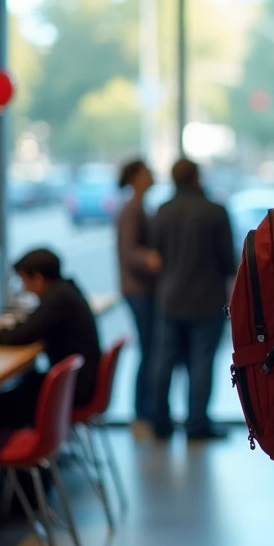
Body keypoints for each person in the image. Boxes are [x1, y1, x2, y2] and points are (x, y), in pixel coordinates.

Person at [0, 249, 102, 432]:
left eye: (24, 280)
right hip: (77, 384)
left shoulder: (59, 298)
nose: (23, 288)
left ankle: (3, 449)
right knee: (23, 384)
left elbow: (23, 334)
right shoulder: (65, 290)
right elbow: (32, 326)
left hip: (74, 391)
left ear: (38, 278)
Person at [149, 158, 235, 441]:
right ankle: (196, 425)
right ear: (197, 178)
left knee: (163, 363)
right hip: (207, 300)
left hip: (170, 299)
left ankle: (160, 423)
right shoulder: (215, 211)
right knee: (202, 363)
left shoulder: (163, 211)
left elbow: (157, 254)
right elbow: (228, 260)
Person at [116, 159, 162, 434]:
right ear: (135, 177)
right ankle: (141, 415)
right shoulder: (132, 209)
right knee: (148, 351)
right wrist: (151, 258)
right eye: (147, 172)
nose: (152, 175)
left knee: (150, 350)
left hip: (143, 289)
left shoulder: (141, 206)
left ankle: (145, 413)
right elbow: (130, 250)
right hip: (139, 290)